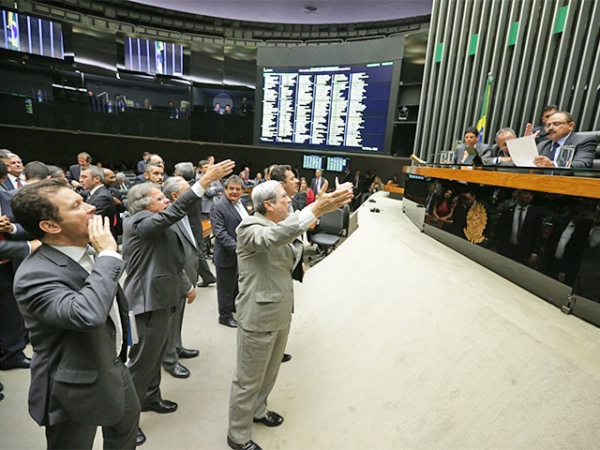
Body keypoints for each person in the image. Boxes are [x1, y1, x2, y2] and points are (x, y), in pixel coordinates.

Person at [11, 178, 140, 449]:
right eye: (78, 205)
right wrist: (107, 256)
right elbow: (87, 315)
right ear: (50, 226)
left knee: (125, 429)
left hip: (113, 364)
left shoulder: (88, 249)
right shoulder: (34, 275)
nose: (91, 208)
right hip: (74, 387)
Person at [227, 179, 353, 450]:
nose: (289, 199)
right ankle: (237, 435)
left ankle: (258, 411)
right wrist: (316, 209)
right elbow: (271, 240)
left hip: (280, 310)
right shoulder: (249, 227)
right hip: (258, 316)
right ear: (268, 204)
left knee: (270, 372)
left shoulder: (280, 223)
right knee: (248, 379)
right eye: (284, 196)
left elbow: (289, 243)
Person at [122, 158, 234, 446]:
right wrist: (203, 182)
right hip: (148, 302)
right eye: (160, 198)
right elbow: (174, 213)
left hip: (166, 294)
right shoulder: (140, 222)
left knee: (157, 356)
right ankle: (125, 423)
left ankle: (150, 399)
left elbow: (172, 259)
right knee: (142, 364)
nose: (166, 200)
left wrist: (185, 285)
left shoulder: (155, 221)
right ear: (146, 204)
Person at [161, 177, 203, 379]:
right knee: (169, 320)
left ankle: (176, 347)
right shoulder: (167, 217)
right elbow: (170, 256)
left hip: (186, 275)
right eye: (189, 190)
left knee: (178, 316)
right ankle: (169, 360)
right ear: (176, 196)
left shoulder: (185, 212)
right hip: (176, 278)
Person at [210, 175, 247, 328]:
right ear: (225, 190)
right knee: (225, 288)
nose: (234, 192)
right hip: (227, 255)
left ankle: (232, 307)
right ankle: (224, 316)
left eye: (237, 189)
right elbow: (220, 233)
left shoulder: (242, 203)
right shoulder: (218, 207)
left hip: (240, 254)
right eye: (231, 188)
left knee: (235, 286)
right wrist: (239, 248)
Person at [80, 166, 119, 240]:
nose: (80, 180)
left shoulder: (102, 197)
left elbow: (89, 221)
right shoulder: (91, 193)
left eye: (84, 177)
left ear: (97, 179)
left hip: (102, 242)